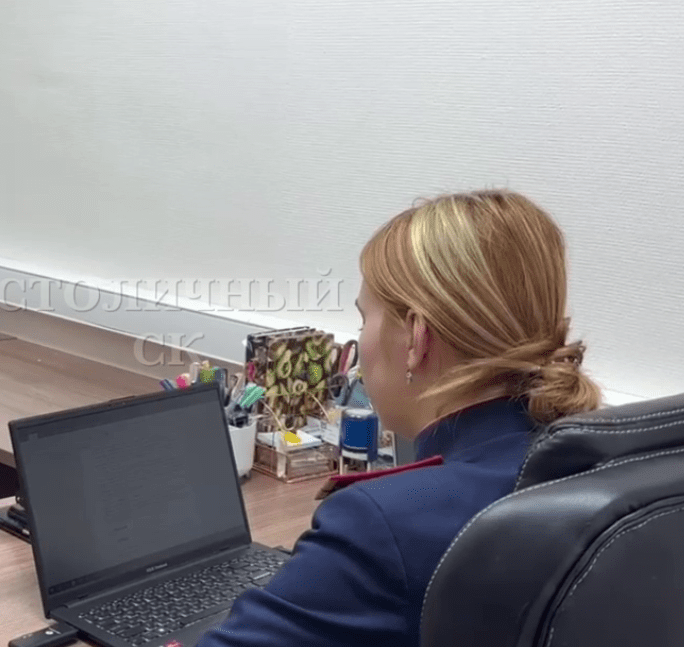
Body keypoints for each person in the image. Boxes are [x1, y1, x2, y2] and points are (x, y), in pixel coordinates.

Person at [197, 189, 602, 646]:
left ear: (415, 337)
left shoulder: (384, 523)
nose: (360, 342)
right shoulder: (598, 467)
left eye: (364, 319)